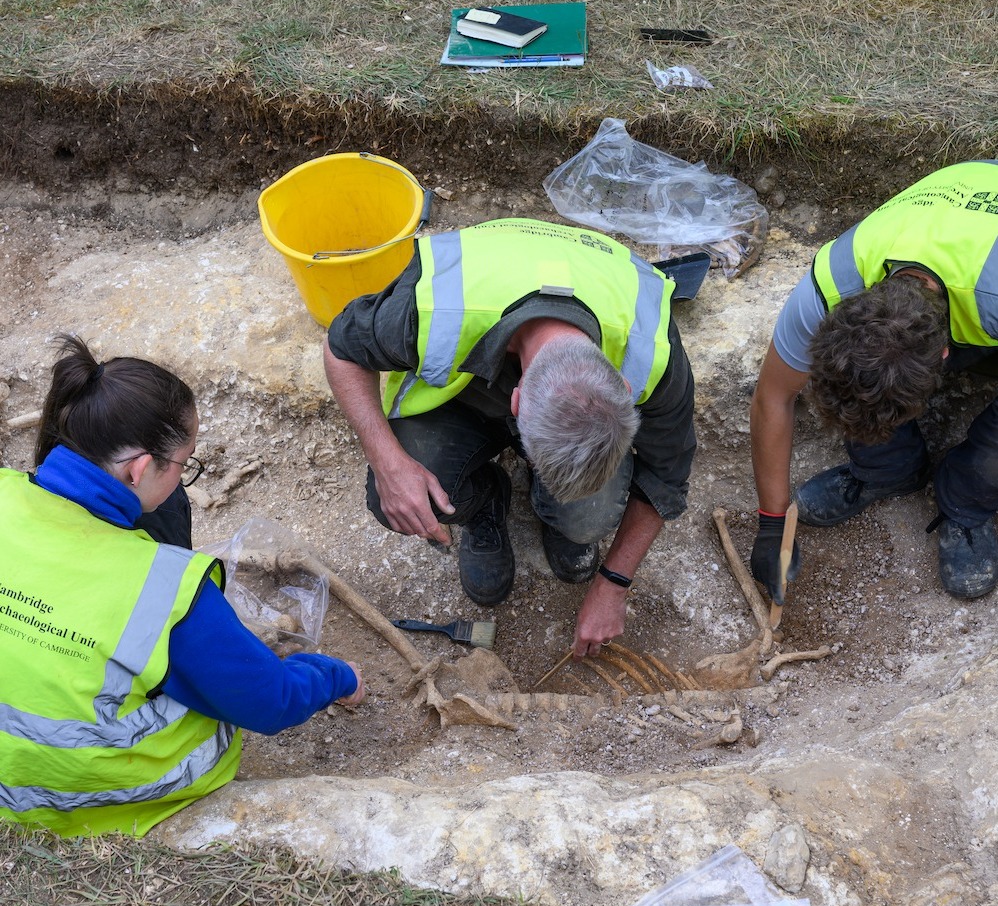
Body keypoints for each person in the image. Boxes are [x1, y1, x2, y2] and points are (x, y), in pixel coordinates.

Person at [0, 335, 365, 838]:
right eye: (184, 464)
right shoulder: (165, 590)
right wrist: (337, 676)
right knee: (199, 674)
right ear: (141, 467)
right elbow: (271, 701)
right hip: (76, 794)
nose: (183, 476)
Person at [323, 217, 696, 658]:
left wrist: (614, 584)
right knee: (401, 500)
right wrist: (388, 462)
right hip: (458, 402)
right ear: (515, 402)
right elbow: (340, 348)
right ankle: (486, 500)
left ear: (624, 388)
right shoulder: (432, 306)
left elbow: (667, 474)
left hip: (587, 282)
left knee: (588, 518)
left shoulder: (651, 349)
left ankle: (556, 515)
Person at [750, 159, 998, 603]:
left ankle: (965, 504)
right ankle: (889, 472)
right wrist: (772, 523)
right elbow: (773, 396)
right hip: (959, 214)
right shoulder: (830, 284)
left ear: (945, 356)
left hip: (985, 271)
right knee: (863, 391)